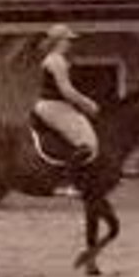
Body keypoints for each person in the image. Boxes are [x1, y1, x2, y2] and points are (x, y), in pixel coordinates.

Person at [32, 23, 100, 171]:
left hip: (53, 105)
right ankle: (67, 181)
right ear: (59, 41)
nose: (70, 44)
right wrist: (87, 103)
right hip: (54, 106)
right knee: (87, 144)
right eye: (68, 40)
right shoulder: (57, 60)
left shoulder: (54, 59)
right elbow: (66, 91)